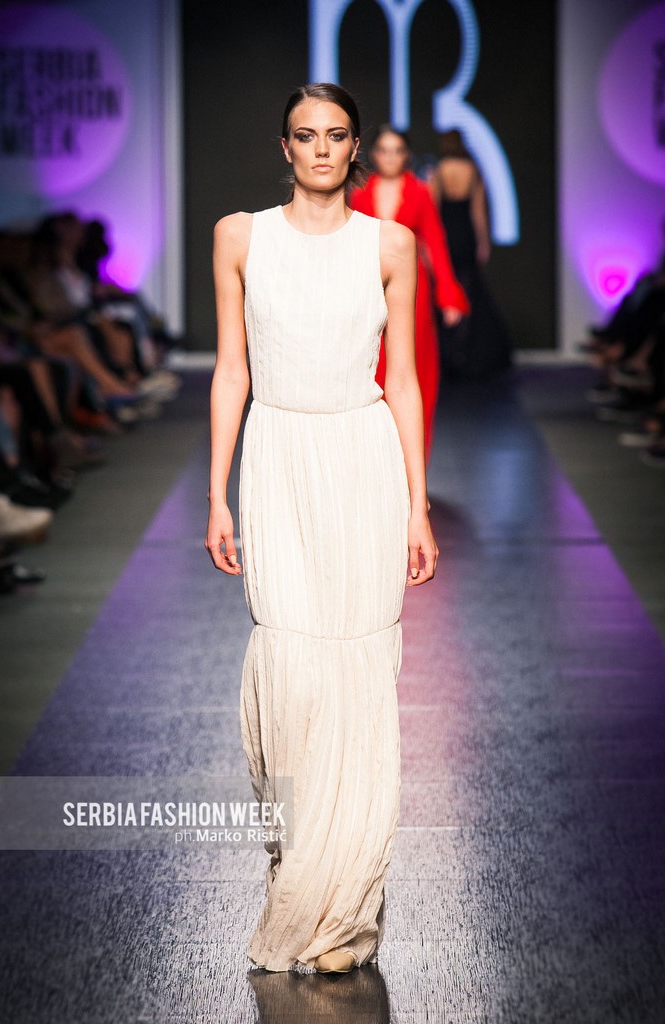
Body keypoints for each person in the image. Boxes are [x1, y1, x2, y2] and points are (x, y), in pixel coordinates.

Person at [204, 82, 438, 974]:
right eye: (306, 136)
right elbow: (232, 370)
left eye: (337, 135)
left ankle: (344, 913)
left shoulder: (391, 244)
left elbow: (403, 379)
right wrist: (217, 493)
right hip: (278, 459)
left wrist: (417, 502)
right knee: (292, 671)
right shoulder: (240, 237)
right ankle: (297, 870)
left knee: (359, 675)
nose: (322, 150)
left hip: (361, 460)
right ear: (285, 146)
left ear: (355, 146)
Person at [349, 125, 469, 463]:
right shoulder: (360, 192)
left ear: (406, 155)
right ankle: (374, 460)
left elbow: (435, 241)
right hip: (367, 286)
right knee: (370, 368)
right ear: (374, 155)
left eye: (397, 151)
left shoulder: (419, 192)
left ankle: (411, 460)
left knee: (414, 367)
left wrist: (448, 293)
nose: (390, 157)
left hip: (411, 288)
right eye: (384, 150)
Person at [429, 129, 513, 379]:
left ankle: (448, 355)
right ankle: (466, 353)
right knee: (468, 292)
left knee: (445, 292)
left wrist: (431, 246)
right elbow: (478, 213)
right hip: (466, 237)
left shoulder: (439, 171)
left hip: (446, 237)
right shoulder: (473, 171)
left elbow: (433, 213)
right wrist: (483, 243)